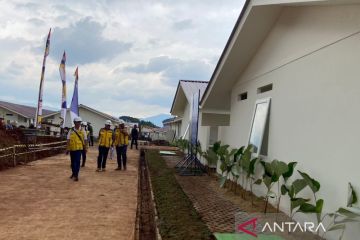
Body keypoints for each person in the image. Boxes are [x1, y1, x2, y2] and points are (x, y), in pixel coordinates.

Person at [66, 117, 87, 181]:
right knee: (72, 163)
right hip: (72, 148)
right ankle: (73, 173)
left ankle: (76, 175)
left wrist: (85, 148)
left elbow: (85, 140)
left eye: (79, 122)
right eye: (77, 122)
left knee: (77, 162)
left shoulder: (82, 130)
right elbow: (68, 139)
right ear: (74, 123)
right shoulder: (71, 130)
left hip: (79, 149)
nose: (78, 123)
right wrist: (68, 148)